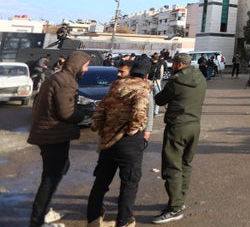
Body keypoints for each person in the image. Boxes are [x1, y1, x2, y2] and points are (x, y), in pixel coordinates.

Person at [27, 51, 91, 227]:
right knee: (50, 180)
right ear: (78, 65)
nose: (86, 69)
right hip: (53, 137)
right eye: (86, 65)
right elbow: (67, 113)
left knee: (58, 171)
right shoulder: (66, 82)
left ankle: (44, 213)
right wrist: (84, 114)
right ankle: (38, 220)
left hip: (47, 135)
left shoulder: (58, 78)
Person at [86, 59, 153, 227]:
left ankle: (94, 218)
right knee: (129, 183)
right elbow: (139, 109)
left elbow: (101, 108)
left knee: (101, 182)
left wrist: (98, 125)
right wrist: (134, 127)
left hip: (108, 140)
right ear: (146, 74)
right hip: (128, 142)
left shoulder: (115, 86)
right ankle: (123, 221)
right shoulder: (143, 87)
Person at [152, 52, 207, 224]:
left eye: (174, 63)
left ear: (179, 65)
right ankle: (179, 201)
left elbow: (159, 100)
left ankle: (174, 208)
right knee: (185, 164)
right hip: (195, 126)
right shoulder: (200, 77)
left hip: (178, 127)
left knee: (172, 167)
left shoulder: (176, 82)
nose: (171, 66)